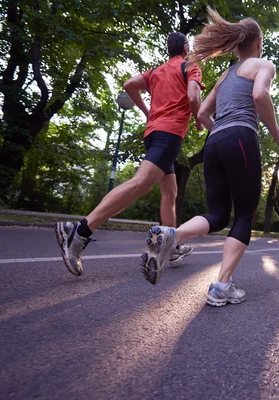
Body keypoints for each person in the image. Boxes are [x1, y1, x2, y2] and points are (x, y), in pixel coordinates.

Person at [140, 8, 279, 307]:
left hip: (214, 142)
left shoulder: (225, 75)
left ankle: (173, 235)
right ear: (258, 41)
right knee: (244, 214)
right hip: (241, 138)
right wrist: (276, 133)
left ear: (235, 46)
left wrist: (220, 131)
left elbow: (203, 113)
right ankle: (222, 286)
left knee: (219, 214)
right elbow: (260, 96)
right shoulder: (263, 65)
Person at [55, 32, 206, 276]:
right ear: (186, 48)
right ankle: (79, 232)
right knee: (140, 184)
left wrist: (148, 113)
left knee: (170, 192)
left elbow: (129, 85)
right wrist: (199, 120)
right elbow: (192, 96)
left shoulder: (156, 72)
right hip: (169, 134)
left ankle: (171, 244)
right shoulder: (191, 66)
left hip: (153, 133)